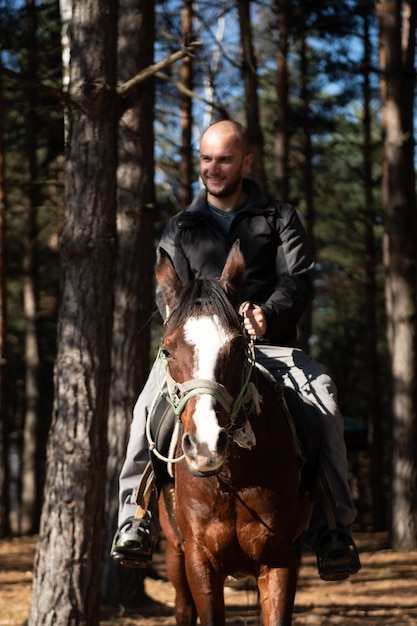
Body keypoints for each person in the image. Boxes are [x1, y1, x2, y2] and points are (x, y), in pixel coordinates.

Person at [110, 119, 361, 581]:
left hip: (271, 348)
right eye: (206, 159)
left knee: (323, 400)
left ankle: (334, 527)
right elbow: (168, 295)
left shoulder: (279, 217)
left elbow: (299, 279)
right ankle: (135, 518)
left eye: (224, 159)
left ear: (246, 161)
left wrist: (267, 312)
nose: (213, 168)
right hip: (199, 358)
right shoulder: (180, 227)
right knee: (146, 407)